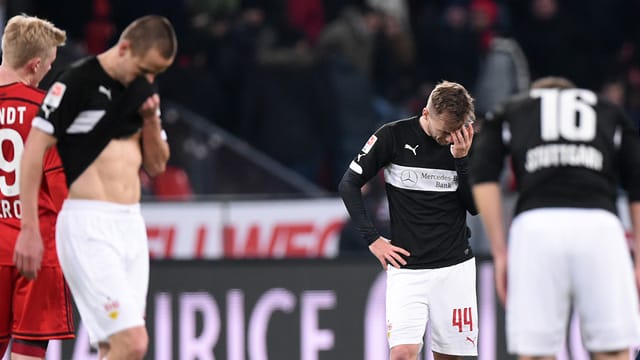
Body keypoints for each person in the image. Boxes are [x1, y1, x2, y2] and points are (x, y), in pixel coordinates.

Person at [14, 15, 177, 360]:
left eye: (156, 74)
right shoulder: (76, 83)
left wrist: (151, 120)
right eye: (146, 69)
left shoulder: (141, 90)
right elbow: (32, 153)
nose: (149, 79)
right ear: (126, 47)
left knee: (117, 348)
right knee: (133, 343)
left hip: (131, 226)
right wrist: (29, 228)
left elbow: (157, 165)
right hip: (89, 225)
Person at [471, 76, 640, 360]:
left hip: (536, 227)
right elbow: (637, 182)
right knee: (612, 350)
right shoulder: (608, 110)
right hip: (599, 225)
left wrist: (500, 252)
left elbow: (482, 173)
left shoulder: (513, 108)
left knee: (536, 353)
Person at [338, 80, 479, 360]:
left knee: (449, 357)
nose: (451, 138)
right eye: (444, 132)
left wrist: (461, 161)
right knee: (402, 354)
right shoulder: (392, 136)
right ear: (426, 114)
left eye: (456, 130)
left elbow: (474, 207)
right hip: (407, 268)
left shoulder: (466, 140)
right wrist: (373, 239)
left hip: (454, 268)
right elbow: (348, 184)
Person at [0, 15, 71, 360]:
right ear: (35, 64)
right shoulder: (44, 112)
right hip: (35, 252)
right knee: (28, 354)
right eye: (49, 65)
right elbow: (64, 195)